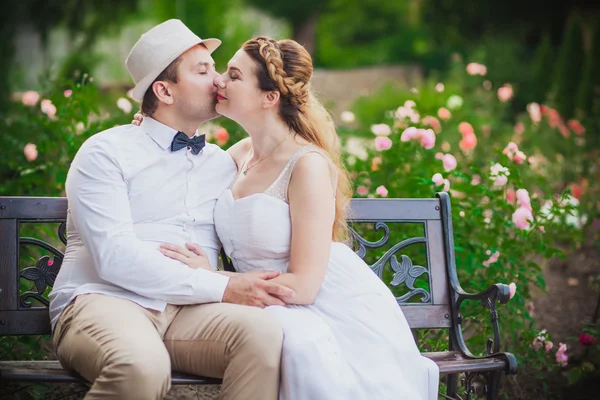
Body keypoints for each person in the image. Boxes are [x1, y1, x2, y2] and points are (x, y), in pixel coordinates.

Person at [158, 36, 440, 399]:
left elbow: (305, 286)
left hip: (324, 304)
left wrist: (214, 277)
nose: (219, 82)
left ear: (269, 97)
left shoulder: (306, 165)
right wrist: (153, 125)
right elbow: (182, 173)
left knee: (300, 350)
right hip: (269, 299)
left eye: (233, 76)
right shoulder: (242, 153)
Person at [49, 20, 295, 400]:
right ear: (163, 90)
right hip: (104, 299)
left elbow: (281, 152)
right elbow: (114, 258)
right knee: (140, 366)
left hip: (192, 311)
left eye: (216, 69)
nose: (218, 81)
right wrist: (224, 285)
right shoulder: (106, 152)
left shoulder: (224, 164)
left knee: (264, 336)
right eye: (203, 71)